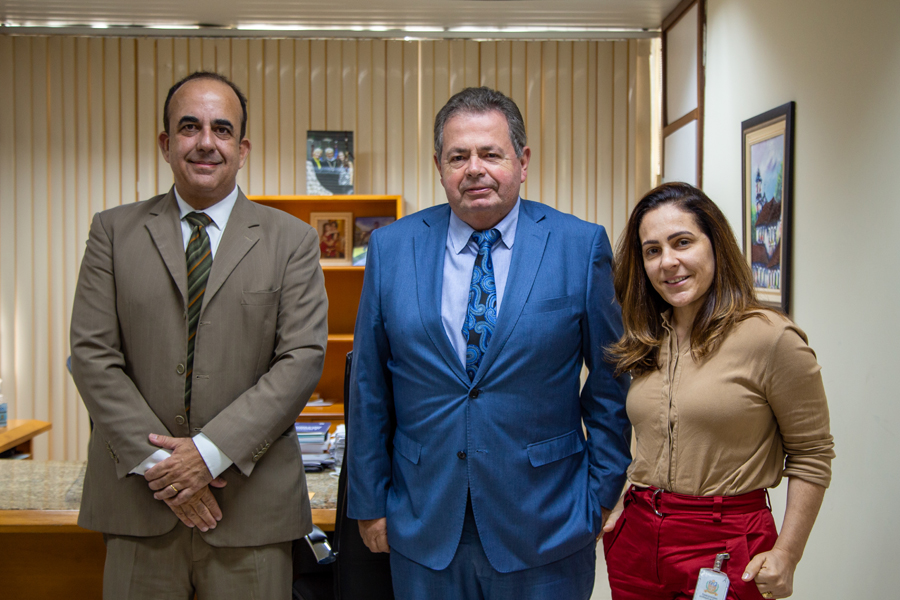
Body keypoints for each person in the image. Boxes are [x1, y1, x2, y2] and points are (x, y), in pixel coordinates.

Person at [348, 86, 631, 600]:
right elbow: (369, 385)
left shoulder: (579, 245)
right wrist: (369, 503)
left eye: (490, 154)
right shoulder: (391, 247)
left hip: (548, 524)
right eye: (458, 156)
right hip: (423, 521)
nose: (474, 169)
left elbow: (611, 382)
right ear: (439, 167)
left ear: (522, 162)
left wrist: (602, 493)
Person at [69, 71, 328, 599]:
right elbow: (92, 355)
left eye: (222, 129)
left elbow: (301, 359)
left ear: (242, 149)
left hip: (252, 512)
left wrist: (208, 454)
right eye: (190, 127)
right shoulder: (113, 233)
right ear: (166, 144)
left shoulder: (292, 241)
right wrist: (167, 470)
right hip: (140, 506)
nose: (206, 142)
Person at [602, 182, 834, 600]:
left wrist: (788, 554)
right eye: (652, 250)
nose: (667, 262)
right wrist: (626, 501)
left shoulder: (771, 338)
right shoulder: (648, 337)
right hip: (638, 541)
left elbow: (812, 454)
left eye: (682, 242)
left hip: (723, 544)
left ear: (715, 245)